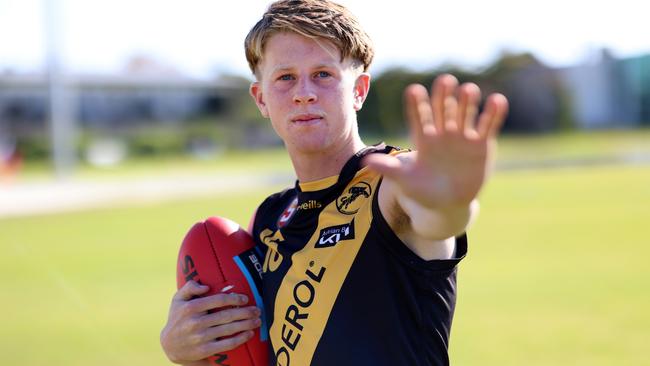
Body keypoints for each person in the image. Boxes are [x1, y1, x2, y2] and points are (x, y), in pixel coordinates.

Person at [160, 0, 508, 365]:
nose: (304, 92)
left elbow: (437, 218)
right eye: (285, 77)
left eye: (324, 74)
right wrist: (183, 344)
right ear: (261, 98)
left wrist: (450, 201)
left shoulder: (391, 181)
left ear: (358, 90)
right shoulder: (269, 219)